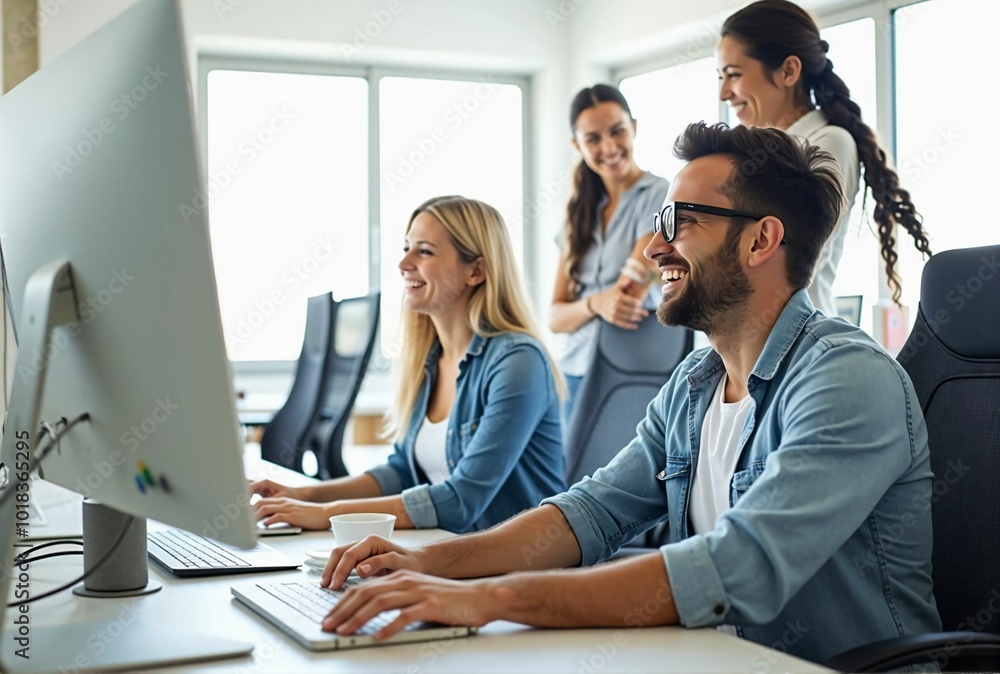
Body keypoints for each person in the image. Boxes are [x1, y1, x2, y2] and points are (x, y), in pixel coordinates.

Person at [314, 123, 940, 666]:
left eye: (679, 222)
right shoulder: (694, 386)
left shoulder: (844, 378)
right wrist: (427, 566)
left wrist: (489, 598)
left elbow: (737, 568)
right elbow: (591, 512)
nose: (652, 247)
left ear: (760, 240)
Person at [251, 196, 566, 533]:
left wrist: (329, 514)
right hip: (452, 556)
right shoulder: (430, 360)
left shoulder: (517, 362)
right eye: (406, 248)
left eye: (425, 251)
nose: (404, 263)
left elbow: (461, 500)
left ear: (475, 271)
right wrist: (303, 495)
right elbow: (401, 471)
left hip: (516, 572)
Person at [717, 0, 932, 316]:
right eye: (720, 77)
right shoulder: (759, 153)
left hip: (796, 340)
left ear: (789, 70)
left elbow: (779, 261)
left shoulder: (828, 144)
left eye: (733, 74)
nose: (724, 93)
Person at [549, 84, 670, 419]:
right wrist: (595, 303)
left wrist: (588, 305)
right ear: (577, 145)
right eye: (593, 139)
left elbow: (628, 294)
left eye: (618, 131)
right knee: (573, 471)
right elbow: (554, 318)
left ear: (635, 128)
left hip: (629, 370)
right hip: (574, 372)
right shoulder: (577, 213)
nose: (609, 147)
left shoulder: (659, 196)